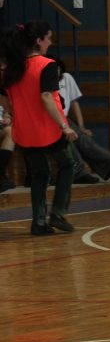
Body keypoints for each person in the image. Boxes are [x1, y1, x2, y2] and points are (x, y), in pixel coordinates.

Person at [0, 22, 78, 236]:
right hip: (48, 130)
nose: (50, 43)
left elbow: (5, 101)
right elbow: (46, 97)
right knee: (68, 165)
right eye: (48, 38)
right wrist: (64, 126)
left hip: (24, 132)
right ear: (38, 40)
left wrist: (16, 114)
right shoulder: (46, 65)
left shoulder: (12, 69)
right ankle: (58, 214)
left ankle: (38, 222)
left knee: (40, 173)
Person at [54, 57, 110, 183]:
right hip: (54, 120)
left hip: (65, 118)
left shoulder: (66, 78)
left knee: (84, 140)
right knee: (75, 142)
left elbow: (74, 103)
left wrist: (82, 127)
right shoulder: (45, 85)